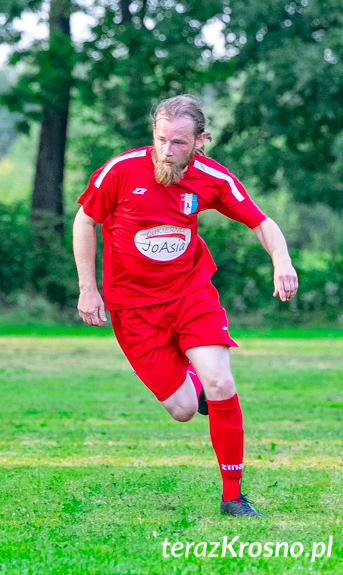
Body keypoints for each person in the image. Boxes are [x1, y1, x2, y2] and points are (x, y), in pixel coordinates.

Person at [72, 94, 298, 517]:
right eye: (161, 140)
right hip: (134, 309)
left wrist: (281, 260)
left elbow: (261, 221)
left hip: (190, 294)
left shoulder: (212, 177)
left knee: (221, 383)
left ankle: (233, 495)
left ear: (200, 142)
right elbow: (85, 220)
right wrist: (88, 288)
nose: (167, 151)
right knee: (181, 409)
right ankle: (194, 382)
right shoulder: (120, 171)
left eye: (179, 143)